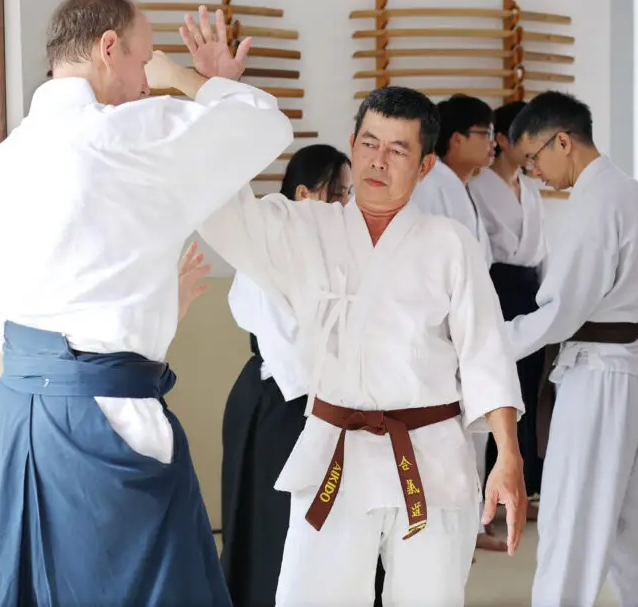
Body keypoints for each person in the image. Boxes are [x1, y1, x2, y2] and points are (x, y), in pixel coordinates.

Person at [0, 0, 293, 606]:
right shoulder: (122, 135)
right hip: (101, 419)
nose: (149, 82)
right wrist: (193, 78)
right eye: (147, 60)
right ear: (109, 48)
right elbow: (264, 123)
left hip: (15, 420)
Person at [198, 85, 527, 606]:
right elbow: (224, 211)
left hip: (429, 457)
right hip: (334, 451)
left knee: (428, 598)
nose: (379, 161)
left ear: (423, 168)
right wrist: (217, 99)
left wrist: (508, 454)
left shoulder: (449, 244)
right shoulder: (306, 228)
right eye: (370, 143)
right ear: (352, 144)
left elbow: (485, 351)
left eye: (398, 150)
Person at [504, 91, 638, 607]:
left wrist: (489, 342)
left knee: (571, 520)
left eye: (534, 157)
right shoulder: (630, 192)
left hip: (600, 375)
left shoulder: (596, 204)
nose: (534, 171)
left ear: (564, 140)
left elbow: (561, 311)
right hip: (632, 370)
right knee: (634, 520)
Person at [220, 143, 351, 607]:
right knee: (270, 521)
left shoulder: (333, 250)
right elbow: (286, 344)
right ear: (303, 194)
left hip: (313, 399)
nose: (344, 207)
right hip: (279, 400)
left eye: (348, 195)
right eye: (336, 194)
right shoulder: (269, 246)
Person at [409, 93, 506, 553]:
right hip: (445, 327)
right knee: (451, 438)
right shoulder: (433, 185)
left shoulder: (461, 184)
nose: (492, 143)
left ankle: (472, 525)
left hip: (471, 319)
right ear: (454, 140)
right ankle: (454, 530)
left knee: (476, 431)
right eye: (484, 134)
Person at [468, 101, 549, 510]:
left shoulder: (532, 189)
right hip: (498, 290)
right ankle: (494, 489)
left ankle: (527, 485)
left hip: (533, 294)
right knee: (500, 390)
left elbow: (542, 252)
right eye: (525, 135)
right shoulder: (477, 187)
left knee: (532, 390)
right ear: (501, 139)